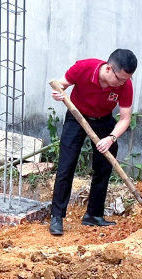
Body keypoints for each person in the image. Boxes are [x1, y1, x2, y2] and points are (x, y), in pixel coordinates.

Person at [48, 49, 137, 236]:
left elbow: (125, 119)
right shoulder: (84, 68)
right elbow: (61, 85)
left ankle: (93, 214)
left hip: (104, 120)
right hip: (77, 116)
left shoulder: (125, 85)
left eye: (125, 80)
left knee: (104, 165)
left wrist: (111, 138)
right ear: (108, 69)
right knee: (67, 164)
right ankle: (57, 216)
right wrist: (59, 93)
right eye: (120, 79)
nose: (122, 83)